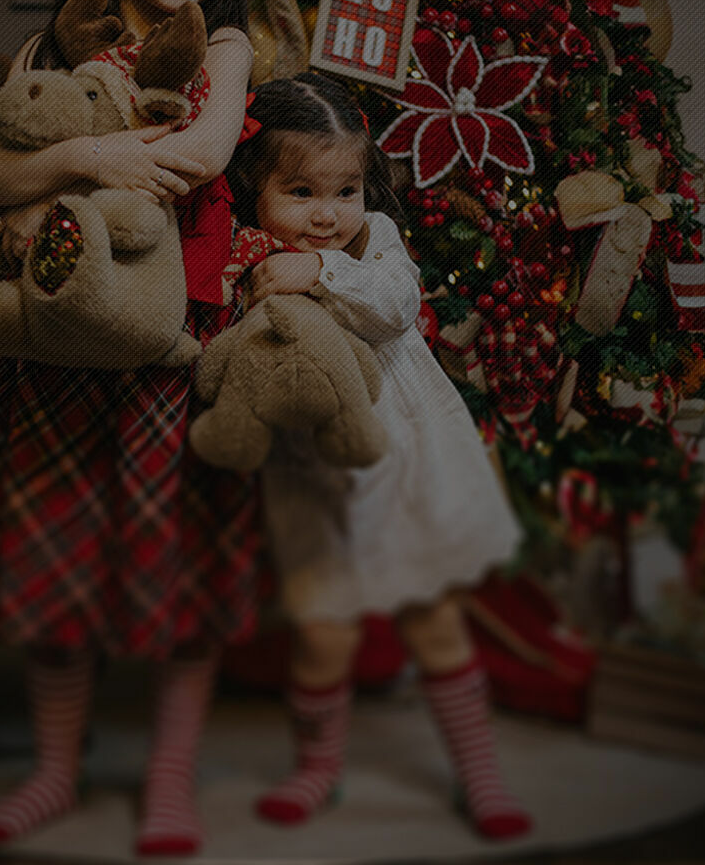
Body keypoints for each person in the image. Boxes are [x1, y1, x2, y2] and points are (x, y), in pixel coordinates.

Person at [0, 0, 258, 857]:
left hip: (176, 345)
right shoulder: (49, 49)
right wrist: (95, 160)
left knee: (183, 579)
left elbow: (207, 156)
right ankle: (52, 770)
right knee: (53, 565)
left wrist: (118, 148)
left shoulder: (224, 45)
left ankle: (168, 780)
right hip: (62, 336)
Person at [222, 73, 533, 840]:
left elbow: (398, 306)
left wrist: (320, 271)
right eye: (300, 191)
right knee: (323, 638)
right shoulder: (247, 261)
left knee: (436, 625)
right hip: (314, 485)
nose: (327, 214)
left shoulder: (374, 244)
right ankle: (317, 765)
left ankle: (480, 774)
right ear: (253, 189)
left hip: (407, 470)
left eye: (347, 189)